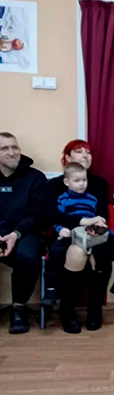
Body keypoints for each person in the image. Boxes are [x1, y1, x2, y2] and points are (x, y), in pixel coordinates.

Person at [45, 140, 114, 333]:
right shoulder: (55, 185)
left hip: (94, 233)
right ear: (67, 157)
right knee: (77, 254)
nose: (85, 155)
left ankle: (95, 311)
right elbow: (53, 215)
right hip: (66, 233)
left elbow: (102, 213)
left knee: (102, 254)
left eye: (88, 152)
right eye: (79, 152)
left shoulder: (99, 184)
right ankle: (67, 312)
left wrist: (94, 225)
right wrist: (83, 222)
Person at [0, 132, 47, 334]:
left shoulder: (35, 178)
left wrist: (15, 234)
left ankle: (19, 308)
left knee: (28, 255)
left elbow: (38, 215)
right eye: (5, 148)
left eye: (15, 147)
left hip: (24, 232)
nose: (12, 152)